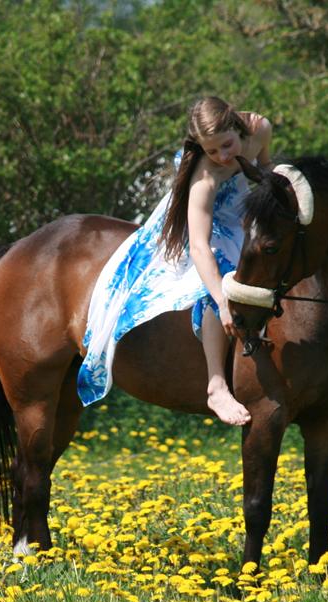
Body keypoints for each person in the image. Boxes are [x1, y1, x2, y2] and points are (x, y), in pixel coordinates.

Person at [77, 96, 272, 425]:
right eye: (212, 151)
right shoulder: (204, 178)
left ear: (239, 129)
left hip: (242, 213)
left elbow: (263, 168)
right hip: (200, 230)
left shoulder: (260, 128)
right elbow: (198, 245)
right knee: (224, 280)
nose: (223, 157)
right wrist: (223, 301)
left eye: (227, 145)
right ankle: (217, 384)